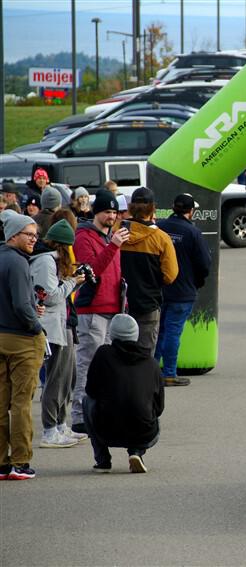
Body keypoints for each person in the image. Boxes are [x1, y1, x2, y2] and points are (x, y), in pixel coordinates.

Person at [71, 190, 129, 434]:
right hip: (93, 309)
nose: (112, 216)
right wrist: (113, 246)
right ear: (97, 212)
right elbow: (91, 271)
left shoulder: (109, 237)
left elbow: (113, 273)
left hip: (112, 308)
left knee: (106, 366)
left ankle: (100, 413)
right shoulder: (85, 237)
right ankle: (78, 416)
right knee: (88, 363)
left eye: (114, 212)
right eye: (107, 212)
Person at [30, 219, 87, 448]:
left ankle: (61, 424)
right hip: (53, 327)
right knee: (56, 379)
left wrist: (74, 281)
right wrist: (73, 281)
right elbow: (50, 296)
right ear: (63, 246)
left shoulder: (52, 261)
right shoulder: (45, 261)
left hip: (64, 323)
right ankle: (50, 429)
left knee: (67, 377)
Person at [83, 314, 164, 474]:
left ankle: (103, 460)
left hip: (106, 428)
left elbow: (90, 389)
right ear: (135, 334)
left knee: (87, 401)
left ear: (113, 334)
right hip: (144, 431)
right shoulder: (151, 362)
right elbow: (159, 406)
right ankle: (136, 452)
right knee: (147, 409)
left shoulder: (103, 354)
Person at [0, 213, 47, 480]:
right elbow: (19, 303)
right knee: (21, 403)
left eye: (35, 235)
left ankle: (2, 463)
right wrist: (36, 326)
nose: (34, 239)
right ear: (14, 235)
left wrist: (31, 306)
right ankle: (20, 461)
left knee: (0, 402)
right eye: (29, 234)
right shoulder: (17, 263)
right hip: (21, 340)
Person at [154, 194, 211, 387]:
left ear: (172, 207)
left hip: (160, 289)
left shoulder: (160, 227)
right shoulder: (193, 232)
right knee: (173, 332)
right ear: (191, 211)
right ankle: (169, 373)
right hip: (183, 291)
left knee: (158, 331)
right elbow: (204, 264)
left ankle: (151, 373)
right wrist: (197, 282)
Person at [120, 187, 179, 357]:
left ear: (131, 207)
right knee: (144, 355)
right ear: (153, 208)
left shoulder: (118, 232)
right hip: (148, 302)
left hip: (119, 303)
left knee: (121, 353)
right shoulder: (161, 238)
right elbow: (170, 275)